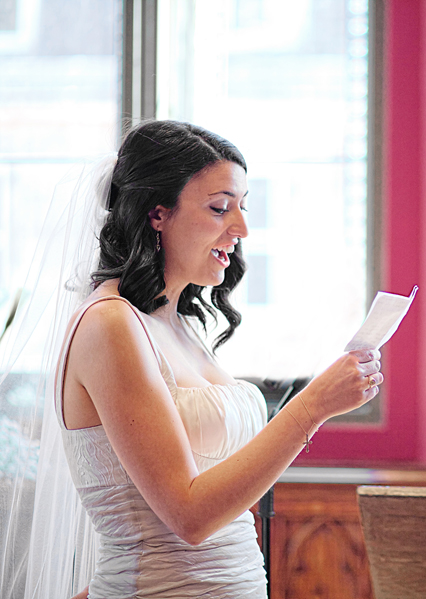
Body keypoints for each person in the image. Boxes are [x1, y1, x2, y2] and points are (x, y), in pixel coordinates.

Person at [7, 120, 384, 598]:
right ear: (157, 213)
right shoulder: (111, 325)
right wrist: (312, 408)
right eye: (219, 208)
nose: (242, 228)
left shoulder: (180, 324)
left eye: (243, 208)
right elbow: (189, 516)